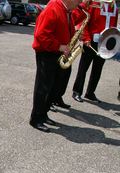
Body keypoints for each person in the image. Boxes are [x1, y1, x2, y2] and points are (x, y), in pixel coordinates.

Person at [30, 0, 87, 132]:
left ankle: (43, 115)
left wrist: (75, 36)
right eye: (78, 1)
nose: (79, 4)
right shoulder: (53, 9)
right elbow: (41, 35)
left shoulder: (67, 11)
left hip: (58, 53)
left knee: (52, 87)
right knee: (43, 88)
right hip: (47, 53)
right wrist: (59, 46)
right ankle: (35, 119)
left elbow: (64, 30)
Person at [72, 1, 118, 103]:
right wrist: (86, 38)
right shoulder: (94, 2)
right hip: (91, 41)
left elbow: (114, 26)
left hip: (105, 43)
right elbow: (85, 20)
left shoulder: (113, 5)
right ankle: (77, 91)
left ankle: (90, 93)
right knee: (83, 68)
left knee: (98, 69)